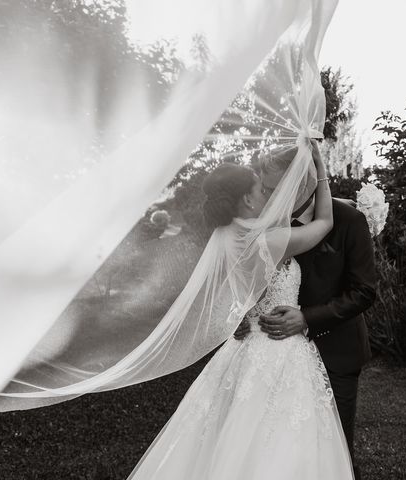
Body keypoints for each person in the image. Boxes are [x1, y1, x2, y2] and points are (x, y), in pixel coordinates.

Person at [126, 141, 355, 480]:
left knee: (227, 434)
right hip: (280, 350)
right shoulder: (269, 240)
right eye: (261, 188)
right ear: (247, 198)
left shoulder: (222, 237)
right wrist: (321, 170)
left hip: (242, 350)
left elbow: (221, 295)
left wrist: (237, 319)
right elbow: (323, 224)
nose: (268, 193)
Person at [235, 143, 377, 479]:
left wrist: (306, 319)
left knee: (334, 451)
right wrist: (238, 314)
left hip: (336, 352)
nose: (266, 195)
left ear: (297, 183)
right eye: (264, 188)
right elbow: (242, 280)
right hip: (274, 356)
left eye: (272, 188)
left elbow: (364, 291)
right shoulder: (266, 221)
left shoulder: (348, 220)